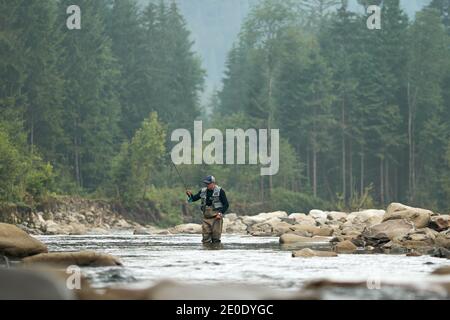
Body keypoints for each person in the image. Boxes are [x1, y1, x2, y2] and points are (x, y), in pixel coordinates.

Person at [186, 176, 229, 244]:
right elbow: (193, 199)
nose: (207, 185)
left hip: (216, 219)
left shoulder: (220, 191)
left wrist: (220, 213)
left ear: (213, 183)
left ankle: (216, 253)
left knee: (216, 239)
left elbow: (226, 205)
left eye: (208, 183)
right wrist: (190, 195)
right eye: (206, 183)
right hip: (206, 218)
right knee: (205, 239)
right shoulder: (203, 191)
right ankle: (206, 253)